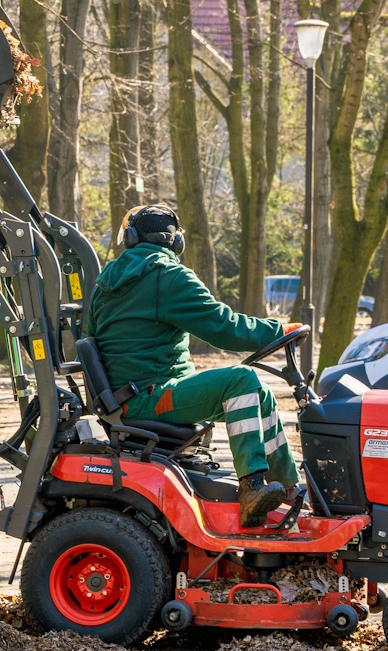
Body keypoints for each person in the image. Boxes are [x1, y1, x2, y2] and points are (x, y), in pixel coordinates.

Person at [85, 204, 298, 527]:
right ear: (176, 242)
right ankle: (252, 487)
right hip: (151, 398)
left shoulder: (104, 285)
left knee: (261, 393)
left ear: (130, 239)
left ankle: (289, 492)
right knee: (241, 380)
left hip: (129, 397)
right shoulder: (167, 277)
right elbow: (224, 327)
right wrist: (277, 331)